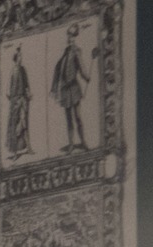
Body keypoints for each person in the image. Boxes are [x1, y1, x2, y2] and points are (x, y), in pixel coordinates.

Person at [51, 24, 92, 153]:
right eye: (69, 36)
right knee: (68, 118)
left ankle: (83, 142)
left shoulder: (76, 51)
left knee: (78, 117)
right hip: (65, 90)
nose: (70, 38)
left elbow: (81, 67)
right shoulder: (65, 51)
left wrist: (86, 77)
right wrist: (55, 87)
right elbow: (59, 69)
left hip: (74, 88)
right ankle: (71, 144)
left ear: (75, 37)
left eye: (72, 36)